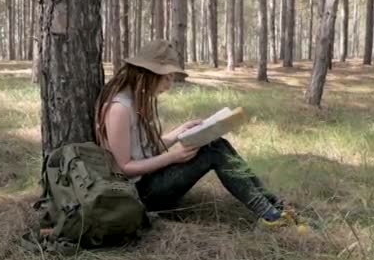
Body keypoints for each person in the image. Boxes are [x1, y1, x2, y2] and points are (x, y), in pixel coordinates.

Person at [94, 40, 284, 224]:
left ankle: (272, 203)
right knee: (214, 152)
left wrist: (180, 131)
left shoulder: (136, 99)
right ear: (149, 73)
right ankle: (270, 215)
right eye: (167, 77)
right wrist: (172, 157)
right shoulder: (119, 108)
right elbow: (124, 168)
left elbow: (146, 149)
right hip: (139, 194)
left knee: (216, 143)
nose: (169, 85)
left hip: (150, 180)